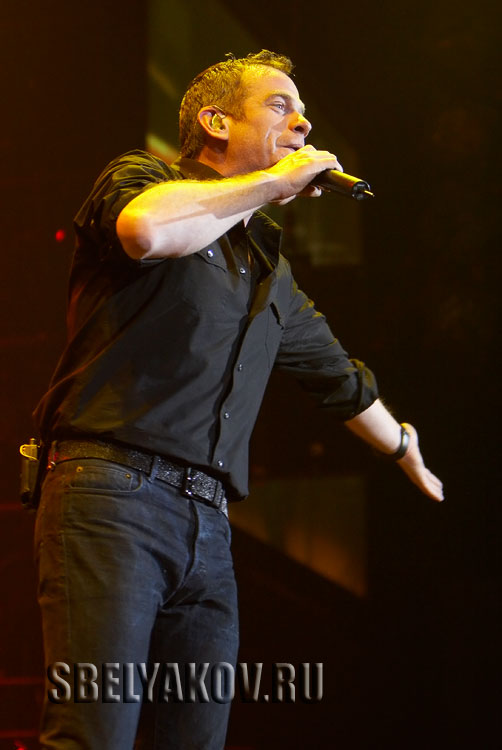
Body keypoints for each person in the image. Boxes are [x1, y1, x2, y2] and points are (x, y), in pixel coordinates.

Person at [33, 50, 443, 749]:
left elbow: (338, 378)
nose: (303, 122)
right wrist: (274, 182)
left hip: (210, 527)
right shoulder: (145, 180)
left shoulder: (267, 271)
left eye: (304, 112)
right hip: (112, 497)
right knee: (94, 731)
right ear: (216, 122)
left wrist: (402, 445)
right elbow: (146, 231)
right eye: (281, 106)